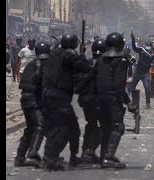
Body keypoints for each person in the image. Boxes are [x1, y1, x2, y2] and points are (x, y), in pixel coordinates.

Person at [42, 34, 90, 171]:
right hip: (59, 97)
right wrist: (81, 53)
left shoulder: (55, 53)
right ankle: (50, 159)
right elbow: (85, 67)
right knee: (61, 129)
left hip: (50, 95)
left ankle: (72, 157)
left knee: (73, 128)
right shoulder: (70, 54)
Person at [93, 32, 133, 168]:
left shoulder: (100, 60)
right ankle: (108, 157)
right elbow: (119, 85)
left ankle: (104, 156)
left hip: (99, 98)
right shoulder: (122, 61)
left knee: (106, 128)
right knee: (117, 127)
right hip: (113, 99)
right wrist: (128, 102)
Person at [14, 42, 51, 167]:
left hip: (25, 98)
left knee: (31, 128)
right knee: (40, 125)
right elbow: (44, 84)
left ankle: (20, 157)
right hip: (33, 99)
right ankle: (32, 155)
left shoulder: (31, 64)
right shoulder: (44, 64)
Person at [76, 38, 107, 164]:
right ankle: (93, 151)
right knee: (102, 126)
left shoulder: (86, 62)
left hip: (87, 99)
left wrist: (81, 54)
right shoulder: (105, 64)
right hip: (99, 100)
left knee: (91, 124)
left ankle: (88, 151)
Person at [129, 32, 154, 109]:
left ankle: (148, 103)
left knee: (147, 88)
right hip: (138, 72)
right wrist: (133, 38)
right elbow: (134, 48)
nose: (148, 46)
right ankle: (132, 102)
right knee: (131, 87)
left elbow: (152, 63)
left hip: (145, 73)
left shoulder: (152, 54)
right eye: (148, 45)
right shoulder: (141, 50)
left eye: (150, 45)